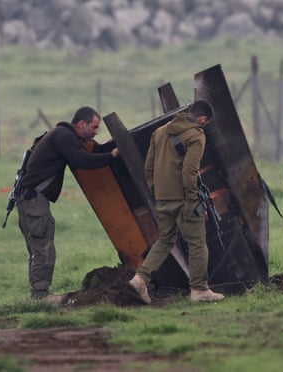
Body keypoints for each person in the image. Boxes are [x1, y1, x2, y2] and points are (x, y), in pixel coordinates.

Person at [17, 106, 119, 302]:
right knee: (43, 248)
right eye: (94, 127)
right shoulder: (64, 137)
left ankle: (39, 293)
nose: (96, 132)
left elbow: (91, 150)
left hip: (33, 199)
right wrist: (111, 156)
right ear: (81, 124)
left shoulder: (64, 135)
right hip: (34, 201)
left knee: (42, 247)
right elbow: (82, 160)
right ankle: (40, 296)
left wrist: (111, 145)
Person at [129, 99, 225, 303]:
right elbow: (190, 170)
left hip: (162, 198)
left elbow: (148, 168)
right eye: (205, 123)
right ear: (203, 119)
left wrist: (157, 192)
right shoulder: (196, 134)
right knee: (198, 243)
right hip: (184, 199)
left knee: (165, 240)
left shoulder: (160, 132)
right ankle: (199, 290)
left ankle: (140, 278)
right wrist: (191, 198)